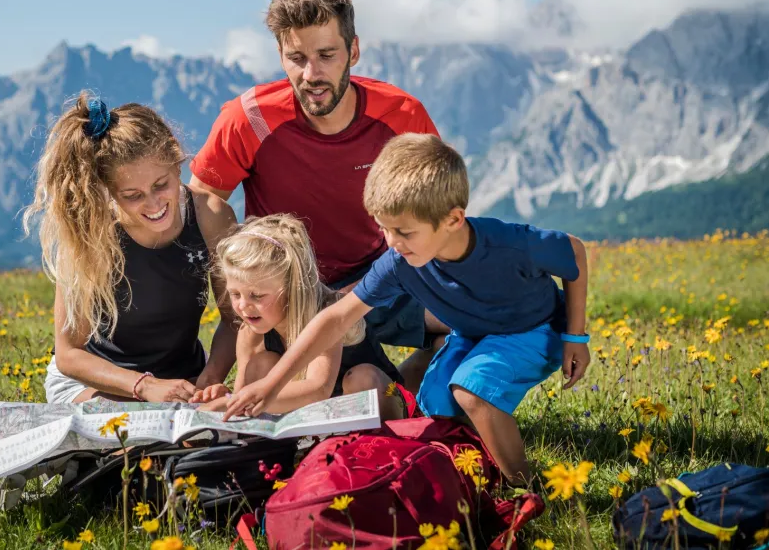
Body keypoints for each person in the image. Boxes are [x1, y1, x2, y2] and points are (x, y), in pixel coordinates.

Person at [222, 133, 591, 485]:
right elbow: (336, 317)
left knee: (471, 391)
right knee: (434, 402)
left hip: (534, 330)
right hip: (474, 335)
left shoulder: (509, 244)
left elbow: (573, 251)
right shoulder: (399, 261)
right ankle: (470, 463)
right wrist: (271, 385)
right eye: (384, 229)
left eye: (404, 232)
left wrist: (575, 336)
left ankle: (524, 485)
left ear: (453, 219)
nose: (393, 243)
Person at [189, 0, 448, 392]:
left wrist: (377, 279)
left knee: (472, 316)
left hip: (378, 279)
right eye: (296, 58)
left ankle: (415, 394)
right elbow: (204, 196)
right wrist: (238, 289)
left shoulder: (402, 116)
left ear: (354, 51)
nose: (312, 74)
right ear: (281, 55)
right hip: (285, 288)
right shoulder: (249, 118)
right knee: (268, 372)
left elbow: (439, 211)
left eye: (327, 55)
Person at [23, 92, 239, 403]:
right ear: (108, 191)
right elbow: (69, 355)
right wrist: (145, 387)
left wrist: (210, 379)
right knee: (124, 437)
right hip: (98, 386)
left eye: (160, 185)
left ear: (177, 163)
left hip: (182, 379)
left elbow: (235, 318)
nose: (153, 204)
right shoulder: (91, 233)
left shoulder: (211, 217)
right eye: (132, 195)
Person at [190, 214, 407, 420]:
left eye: (257, 295)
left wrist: (231, 403)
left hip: (375, 399)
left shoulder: (326, 312)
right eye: (235, 294)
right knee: (262, 363)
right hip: (317, 417)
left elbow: (318, 388)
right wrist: (226, 397)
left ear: (291, 288)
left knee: (361, 378)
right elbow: (242, 396)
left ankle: (382, 444)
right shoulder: (250, 334)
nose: (243, 305)